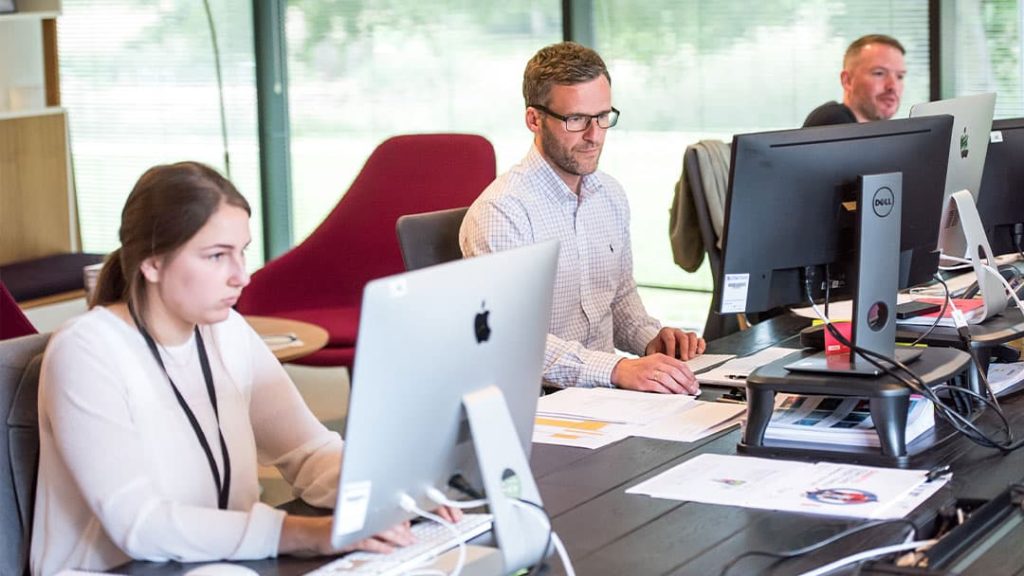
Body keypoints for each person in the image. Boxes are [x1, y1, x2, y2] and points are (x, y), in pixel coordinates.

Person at [31, 162, 456, 575]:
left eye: (242, 253)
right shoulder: (87, 351)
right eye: (216, 256)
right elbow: (140, 525)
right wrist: (308, 534)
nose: (241, 277)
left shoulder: (226, 331)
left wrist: (395, 492)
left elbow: (308, 452)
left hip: (220, 563)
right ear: (152, 263)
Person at [460, 42, 705, 394]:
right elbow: (513, 339)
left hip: (605, 398)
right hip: (542, 404)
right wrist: (618, 368)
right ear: (534, 119)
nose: (594, 136)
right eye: (576, 119)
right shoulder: (502, 212)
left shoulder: (610, 195)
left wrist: (653, 341)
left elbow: (619, 298)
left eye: (603, 117)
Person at [803, 34, 906, 127]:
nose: (893, 86)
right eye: (879, 73)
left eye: (900, 76)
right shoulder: (832, 122)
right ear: (847, 80)